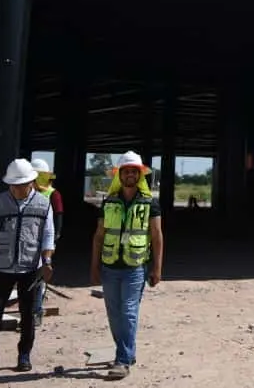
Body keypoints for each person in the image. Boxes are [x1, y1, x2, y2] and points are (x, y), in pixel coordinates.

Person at [0, 158, 55, 379]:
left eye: (19, 185)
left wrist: (47, 262)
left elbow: (48, 235)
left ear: (30, 183)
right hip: (1, 268)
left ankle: (24, 356)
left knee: (28, 316)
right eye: (12, 185)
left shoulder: (43, 205)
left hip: (30, 269)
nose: (15, 189)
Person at [91, 151, 164, 380]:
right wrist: (94, 267)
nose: (130, 175)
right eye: (126, 171)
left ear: (140, 175)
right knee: (114, 314)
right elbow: (99, 236)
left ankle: (122, 360)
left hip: (135, 268)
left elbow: (157, 236)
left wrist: (157, 268)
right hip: (110, 267)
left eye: (134, 171)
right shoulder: (109, 202)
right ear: (119, 175)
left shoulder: (150, 203)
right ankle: (127, 352)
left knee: (128, 312)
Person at [28, 158, 64, 327]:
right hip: (28, 241)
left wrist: (54, 241)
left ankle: (36, 311)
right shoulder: (26, 192)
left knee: (40, 278)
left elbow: (58, 217)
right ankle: (29, 310)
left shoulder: (52, 194)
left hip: (44, 243)